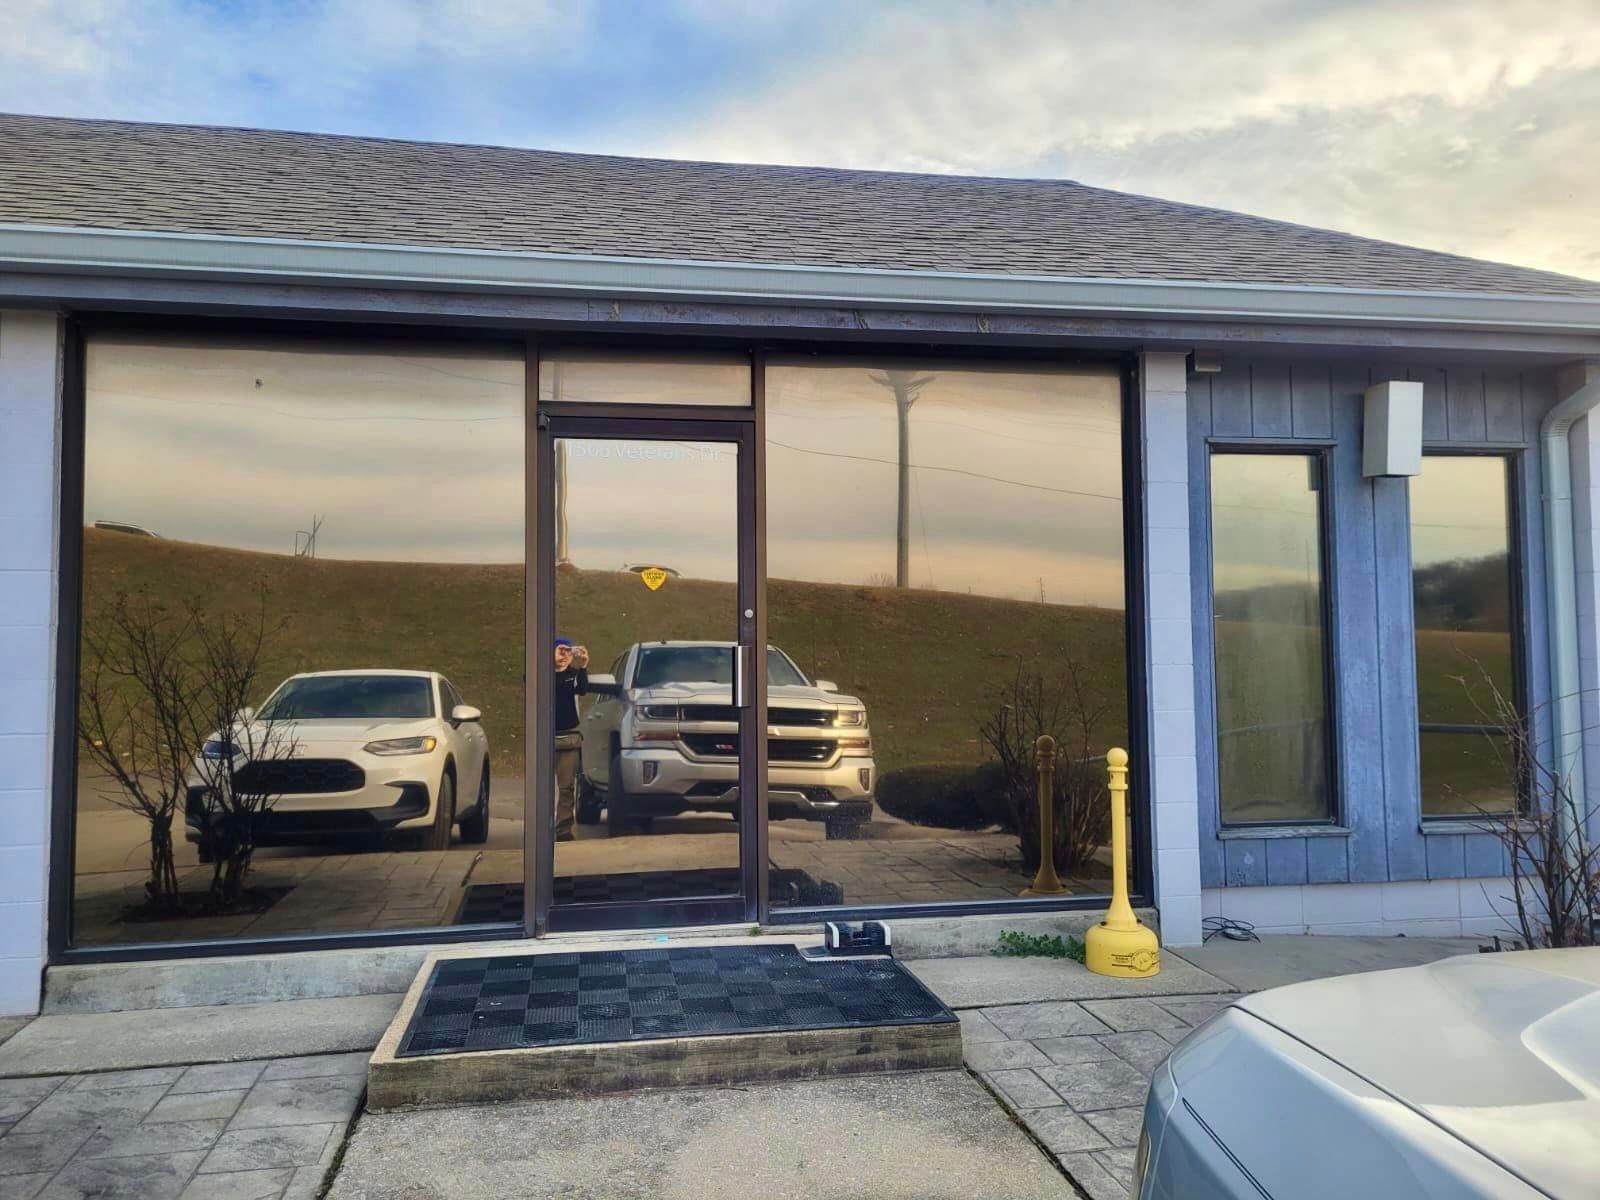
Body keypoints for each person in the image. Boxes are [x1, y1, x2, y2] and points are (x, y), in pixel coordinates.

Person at [553, 637, 590, 842]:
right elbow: (529, 680)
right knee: (539, 788)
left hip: (568, 739)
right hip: (543, 739)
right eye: (561, 650)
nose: (565, 654)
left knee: (566, 788)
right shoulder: (541, 674)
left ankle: (563, 830)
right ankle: (539, 826)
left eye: (569, 651)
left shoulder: (574, 675)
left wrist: (583, 665)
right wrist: (550, 662)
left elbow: (582, 689)